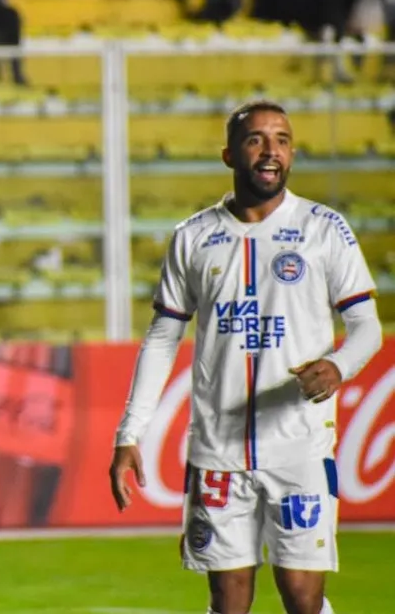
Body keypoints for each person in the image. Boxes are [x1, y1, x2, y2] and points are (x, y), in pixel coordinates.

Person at [109, 100, 383, 614]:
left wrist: (338, 366)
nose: (270, 150)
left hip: (299, 447)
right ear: (229, 155)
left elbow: (366, 326)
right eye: (256, 139)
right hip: (218, 452)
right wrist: (129, 434)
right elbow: (163, 338)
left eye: (281, 139)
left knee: (304, 597)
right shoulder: (193, 237)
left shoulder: (325, 229)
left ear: (292, 154)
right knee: (228, 600)